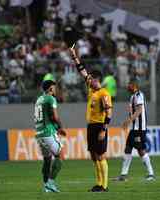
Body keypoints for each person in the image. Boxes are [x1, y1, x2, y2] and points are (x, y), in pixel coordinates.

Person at [69, 45, 113, 192]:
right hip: (91, 126)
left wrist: (104, 130)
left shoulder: (103, 93)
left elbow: (109, 112)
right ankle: (99, 183)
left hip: (100, 126)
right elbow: (81, 70)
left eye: (92, 79)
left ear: (97, 80)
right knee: (94, 156)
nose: (89, 81)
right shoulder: (91, 88)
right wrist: (74, 55)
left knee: (100, 156)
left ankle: (105, 186)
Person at [115, 80, 155, 182]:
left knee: (141, 150)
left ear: (134, 86)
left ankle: (151, 174)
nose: (127, 87)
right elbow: (133, 111)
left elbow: (139, 110)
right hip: (134, 128)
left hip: (140, 128)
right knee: (128, 148)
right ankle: (124, 175)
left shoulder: (139, 95)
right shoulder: (132, 96)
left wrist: (129, 120)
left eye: (129, 85)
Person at [34, 80, 66, 193]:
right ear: (50, 89)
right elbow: (55, 116)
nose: (55, 90)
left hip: (39, 133)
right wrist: (61, 127)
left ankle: (45, 185)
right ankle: (50, 183)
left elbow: (47, 116)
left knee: (47, 159)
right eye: (54, 88)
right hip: (48, 132)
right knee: (61, 155)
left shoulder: (39, 99)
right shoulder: (50, 98)